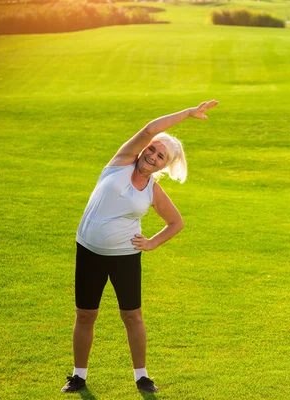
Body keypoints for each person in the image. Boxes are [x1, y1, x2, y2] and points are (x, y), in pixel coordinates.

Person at [61, 100, 219, 394]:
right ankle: (78, 376)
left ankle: (142, 376)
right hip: (89, 252)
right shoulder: (119, 163)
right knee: (85, 314)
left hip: (125, 257)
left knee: (132, 316)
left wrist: (151, 243)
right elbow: (149, 129)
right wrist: (186, 114)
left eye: (161, 156)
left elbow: (176, 222)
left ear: (165, 165)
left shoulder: (153, 190)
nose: (153, 156)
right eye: (152, 149)